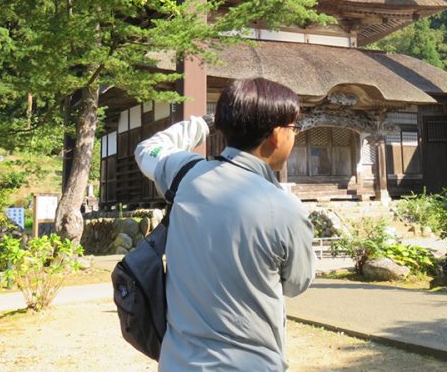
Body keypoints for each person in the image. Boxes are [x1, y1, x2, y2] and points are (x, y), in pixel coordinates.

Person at [135, 77, 315, 371]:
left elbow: (149, 149)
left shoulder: (183, 175)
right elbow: (296, 284)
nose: (295, 137)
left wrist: (202, 124)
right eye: (293, 128)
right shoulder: (287, 211)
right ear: (275, 136)